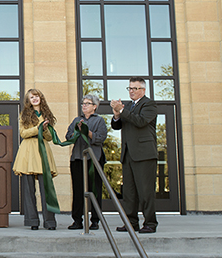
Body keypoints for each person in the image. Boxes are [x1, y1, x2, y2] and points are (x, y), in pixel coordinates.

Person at [110, 77, 158, 234]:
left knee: (145, 191)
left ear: (143, 90)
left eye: (135, 88)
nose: (131, 91)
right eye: (129, 88)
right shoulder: (129, 106)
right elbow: (116, 126)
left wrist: (122, 111)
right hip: (128, 154)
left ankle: (150, 223)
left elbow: (141, 121)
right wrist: (117, 114)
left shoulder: (149, 104)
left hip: (144, 154)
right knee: (129, 192)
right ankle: (131, 223)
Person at [12, 88, 58, 230]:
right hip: (28, 153)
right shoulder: (24, 114)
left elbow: (50, 137)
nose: (35, 99)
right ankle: (32, 221)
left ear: (41, 98)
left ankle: (49, 222)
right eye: (32, 97)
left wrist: (44, 130)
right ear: (28, 100)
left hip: (42, 151)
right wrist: (37, 127)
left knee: (47, 190)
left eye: (37, 96)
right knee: (28, 190)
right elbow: (23, 133)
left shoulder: (47, 114)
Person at [65, 94, 107, 231]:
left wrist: (87, 132)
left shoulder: (99, 121)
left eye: (87, 103)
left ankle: (95, 221)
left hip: (94, 159)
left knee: (94, 190)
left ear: (94, 106)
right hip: (77, 158)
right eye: (83, 103)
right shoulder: (77, 119)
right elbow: (68, 136)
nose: (84, 106)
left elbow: (100, 138)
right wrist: (76, 132)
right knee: (78, 190)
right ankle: (77, 220)